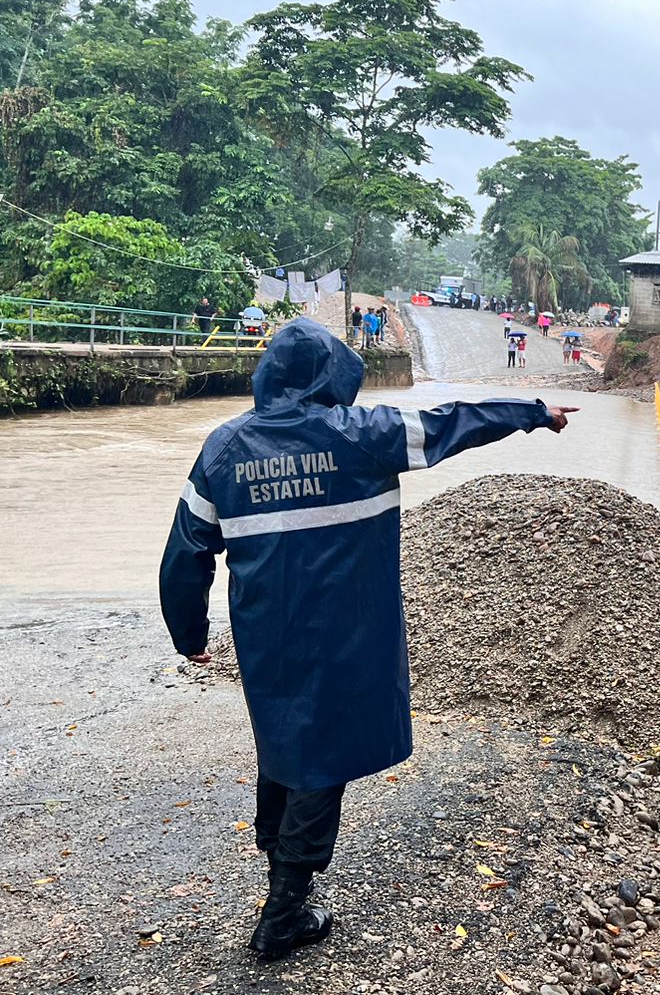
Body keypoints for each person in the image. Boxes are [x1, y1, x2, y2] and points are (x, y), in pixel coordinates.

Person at [159, 319, 577, 961]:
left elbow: (186, 552)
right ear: (332, 374)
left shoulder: (223, 450)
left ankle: (281, 873)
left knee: (285, 746)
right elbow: (453, 423)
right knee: (321, 762)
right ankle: (283, 912)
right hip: (347, 637)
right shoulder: (362, 435)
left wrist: (188, 631)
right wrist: (534, 412)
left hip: (266, 639)